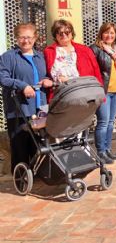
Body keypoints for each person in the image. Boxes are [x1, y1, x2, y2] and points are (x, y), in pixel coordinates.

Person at [0, 23, 53, 172]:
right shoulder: (9, 57)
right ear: (16, 38)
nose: (25, 41)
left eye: (29, 37)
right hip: (19, 109)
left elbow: (47, 75)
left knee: (38, 143)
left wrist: (48, 80)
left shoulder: (40, 56)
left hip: (40, 107)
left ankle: (37, 174)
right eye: (22, 37)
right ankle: (21, 177)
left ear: (35, 38)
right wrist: (22, 86)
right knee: (20, 145)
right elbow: (2, 78)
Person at [90, 22, 116, 164]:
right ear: (101, 34)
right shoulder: (95, 49)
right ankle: (101, 152)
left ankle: (108, 149)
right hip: (103, 91)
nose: (109, 35)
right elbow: (92, 69)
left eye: (112, 33)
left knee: (111, 123)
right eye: (106, 32)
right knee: (103, 122)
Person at [44, 19, 103, 99]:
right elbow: (45, 73)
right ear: (55, 35)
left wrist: (100, 91)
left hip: (83, 93)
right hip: (60, 95)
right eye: (60, 33)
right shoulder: (48, 52)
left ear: (72, 33)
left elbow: (96, 71)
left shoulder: (85, 50)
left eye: (67, 32)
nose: (64, 35)